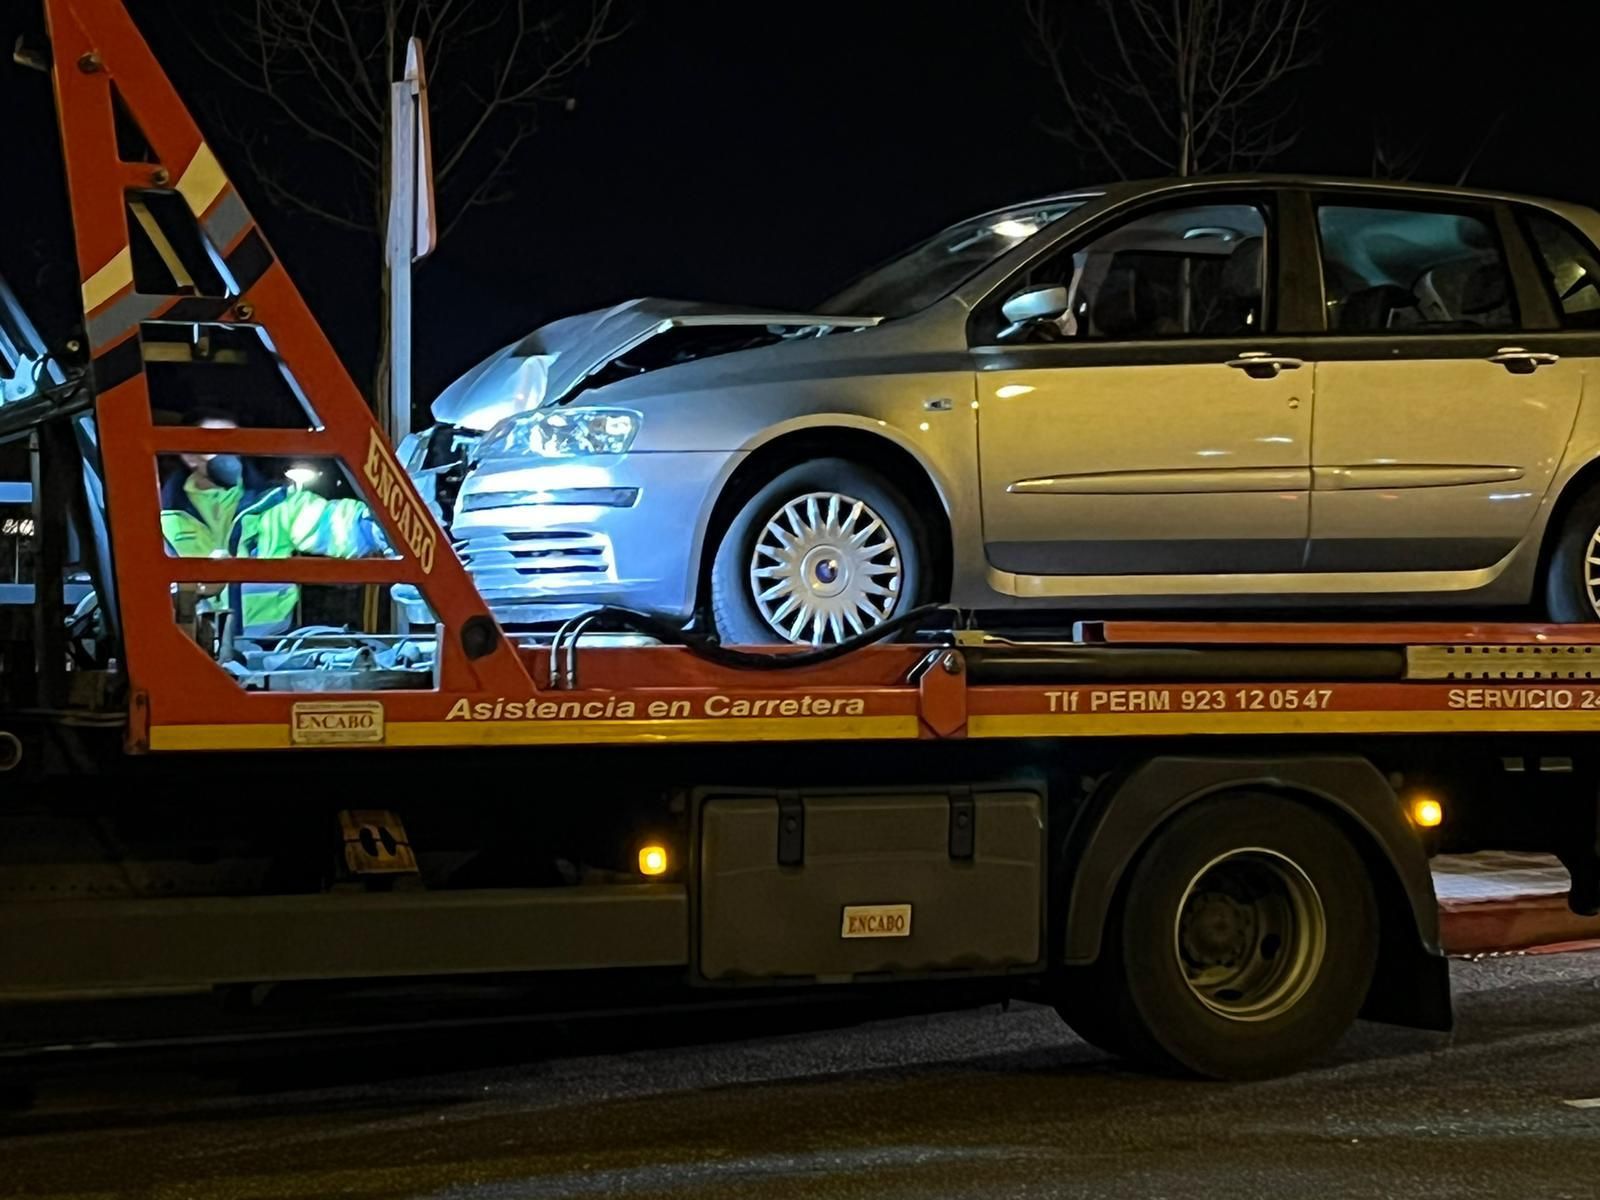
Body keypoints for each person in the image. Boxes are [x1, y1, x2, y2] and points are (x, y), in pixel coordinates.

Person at [160, 410, 388, 637]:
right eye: (215, 442)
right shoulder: (159, 519)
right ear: (189, 455)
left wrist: (383, 526)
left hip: (269, 653)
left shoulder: (276, 504)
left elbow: (335, 523)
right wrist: (197, 591)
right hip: (189, 651)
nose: (226, 452)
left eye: (232, 440)